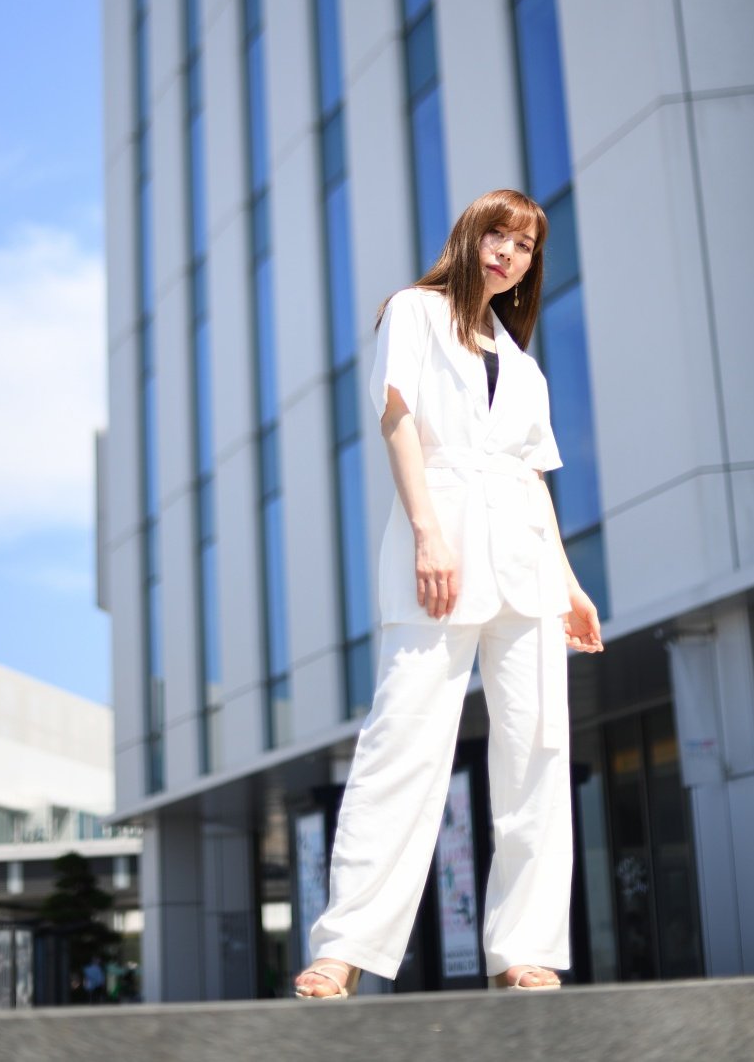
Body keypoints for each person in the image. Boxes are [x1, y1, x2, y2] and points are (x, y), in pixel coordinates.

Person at [294, 189, 603, 999]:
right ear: (470, 237)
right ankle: (345, 947)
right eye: (498, 235)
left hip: (527, 571)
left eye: (525, 246)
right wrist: (428, 534)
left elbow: (532, 478)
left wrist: (570, 584)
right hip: (442, 551)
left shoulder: (523, 365)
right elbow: (397, 420)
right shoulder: (415, 312)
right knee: (403, 741)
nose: (509, 253)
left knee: (537, 753)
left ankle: (524, 950)